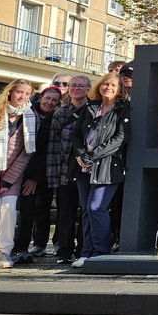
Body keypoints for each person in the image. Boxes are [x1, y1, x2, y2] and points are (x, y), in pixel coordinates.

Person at [70, 73, 129, 267]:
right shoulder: (90, 107)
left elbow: (120, 138)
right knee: (87, 210)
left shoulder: (123, 109)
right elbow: (77, 134)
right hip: (83, 167)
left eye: (112, 84)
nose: (108, 87)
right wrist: (81, 154)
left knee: (97, 207)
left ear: (119, 88)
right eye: (105, 83)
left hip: (107, 166)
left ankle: (101, 252)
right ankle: (86, 252)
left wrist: (92, 155)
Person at [0, 79, 37, 270]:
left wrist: (7, 180)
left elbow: (26, 153)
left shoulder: (30, 117)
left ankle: (4, 251)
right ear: (11, 92)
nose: (22, 96)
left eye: (27, 93)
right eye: (19, 92)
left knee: (9, 209)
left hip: (12, 176)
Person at [12, 86, 61, 261]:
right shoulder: (27, 113)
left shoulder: (55, 118)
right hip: (23, 169)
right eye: (48, 98)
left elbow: (46, 151)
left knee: (43, 209)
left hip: (46, 170)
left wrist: (36, 177)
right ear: (41, 97)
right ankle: (20, 247)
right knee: (26, 210)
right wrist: (31, 177)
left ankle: (39, 244)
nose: (50, 102)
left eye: (54, 100)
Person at [47, 76, 90, 263]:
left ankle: (83, 249)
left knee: (85, 211)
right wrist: (55, 174)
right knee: (65, 212)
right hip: (65, 169)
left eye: (81, 86)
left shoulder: (94, 110)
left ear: (89, 89)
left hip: (87, 169)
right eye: (73, 86)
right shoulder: (61, 113)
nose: (76, 89)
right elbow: (53, 146)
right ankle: (64, 250)